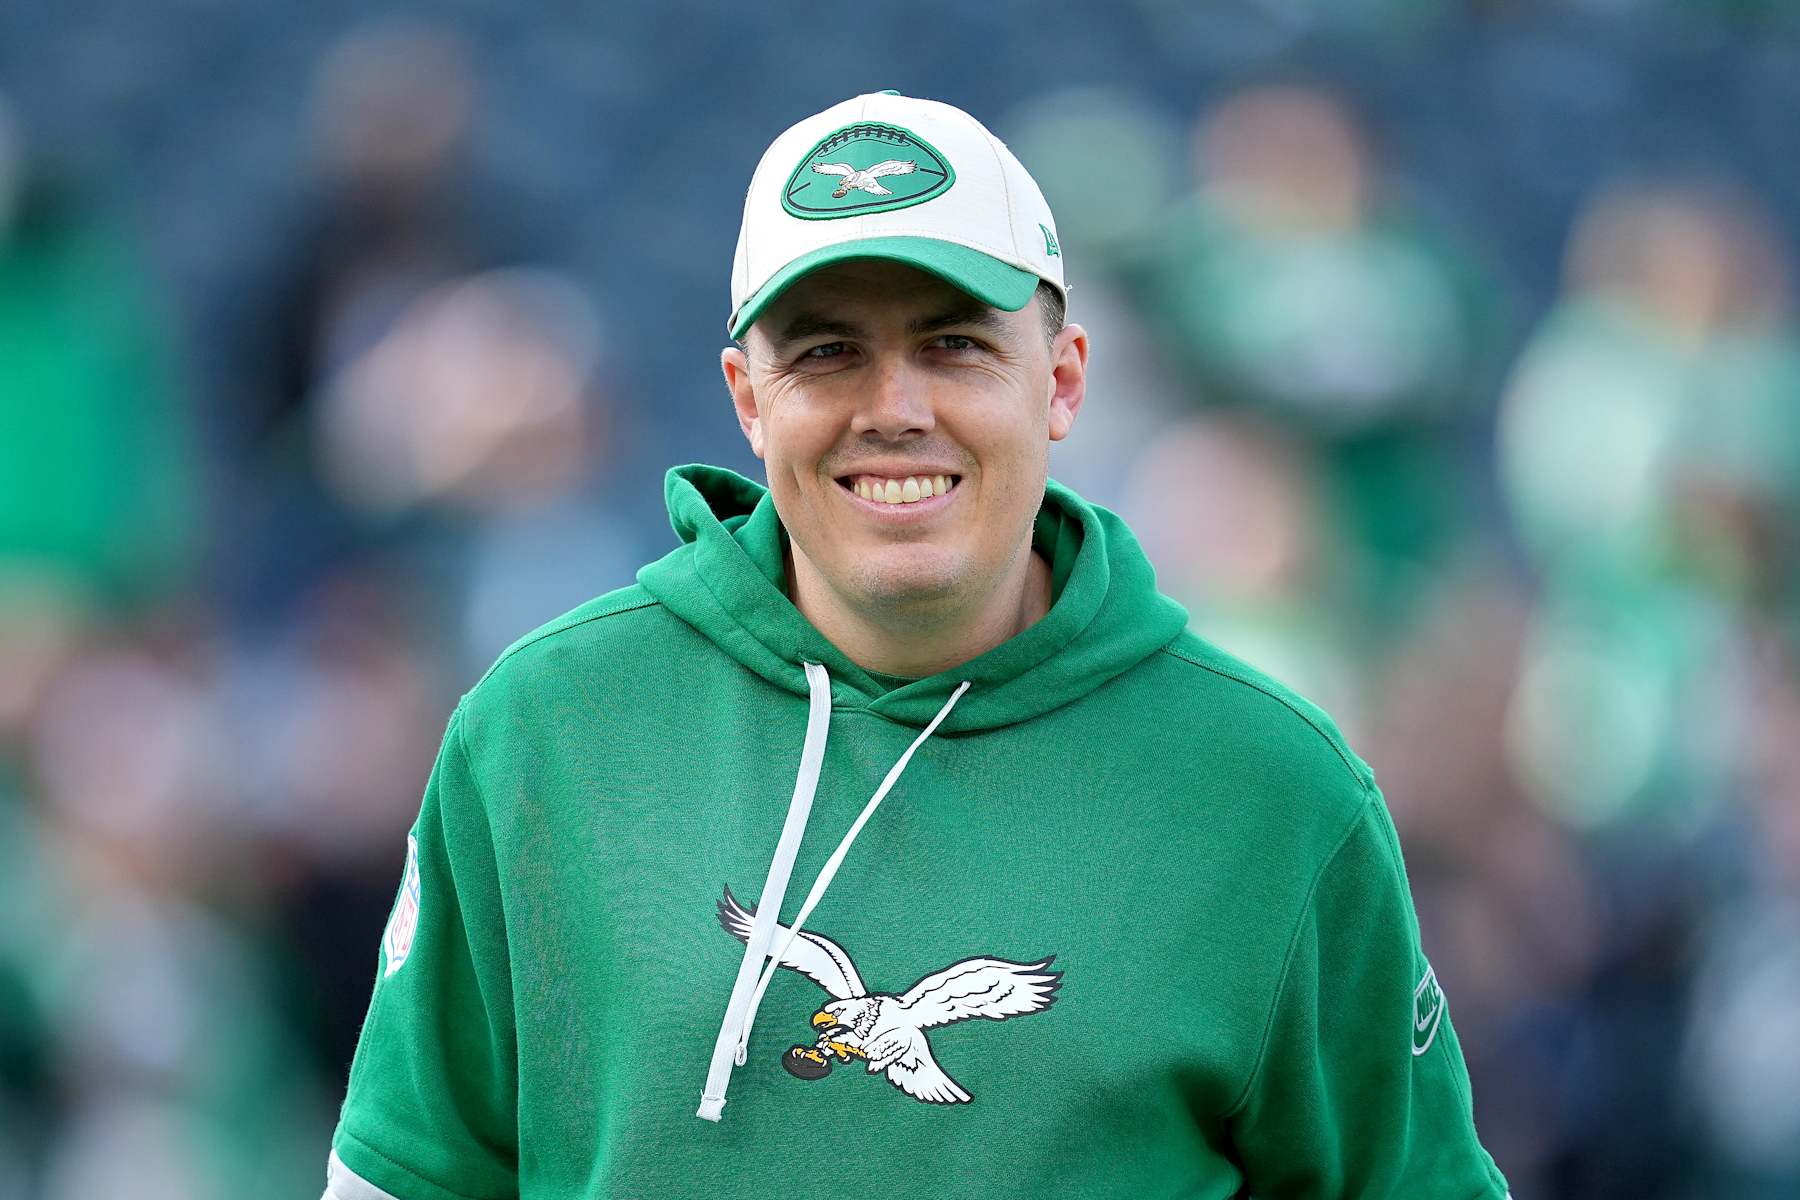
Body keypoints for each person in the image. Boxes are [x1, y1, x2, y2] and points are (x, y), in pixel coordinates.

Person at [321, 91, 1510, 1199]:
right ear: (747, 396)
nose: (894, 407)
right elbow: (401, 1174)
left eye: (952, 344)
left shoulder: (1272, 785)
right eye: (828, 350)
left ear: (1063, 380)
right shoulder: (544, 728)